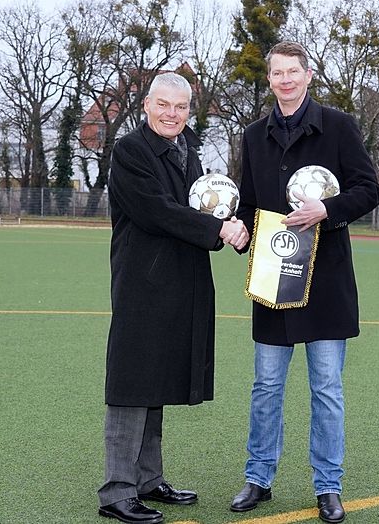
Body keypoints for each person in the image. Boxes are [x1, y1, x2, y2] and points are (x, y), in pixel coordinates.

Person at [230, 41, 379, 523]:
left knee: (327, 388)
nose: (286, 80)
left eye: (293, 71)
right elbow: (249, 205)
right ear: (270, 80)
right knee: (266, 386)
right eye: (277, 73)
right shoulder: (254, 136)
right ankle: (258, 478)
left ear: (309, 74)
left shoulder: (338, 126)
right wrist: (235, 230)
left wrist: (327, 210)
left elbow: (368, 189)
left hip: (326, 282)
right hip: (274, 276)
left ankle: (328, 486)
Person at [98, 72, 248, 524]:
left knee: (158, 378)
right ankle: (117, 491)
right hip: (143, 283)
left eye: (180, 107)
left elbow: (200, 205)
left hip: (182, 281)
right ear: (146, 105)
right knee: (132, 382)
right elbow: (155, 210)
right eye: (163, 104)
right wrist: (218, 229)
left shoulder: (189, 151)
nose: (172, 114)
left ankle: (147, 480)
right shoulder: (130, 151)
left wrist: (231, 223)